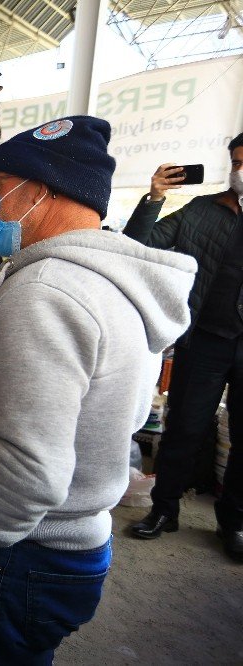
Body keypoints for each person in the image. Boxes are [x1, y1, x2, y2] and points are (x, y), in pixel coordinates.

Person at [0, 116, 196, 662]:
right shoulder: (113, 280)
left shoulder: (44, 291)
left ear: (38, 190)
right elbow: (121, 411)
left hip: (21, 553)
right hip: (75, 546)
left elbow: (28, 471)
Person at [124, 137, 243, 560]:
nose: (240, 170)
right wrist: (155, 196)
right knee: (185, 428)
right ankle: (164, 510)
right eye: (236, 162)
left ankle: (235, 522)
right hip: (206, 340)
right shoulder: (201, 211)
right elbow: (139, 244)